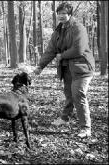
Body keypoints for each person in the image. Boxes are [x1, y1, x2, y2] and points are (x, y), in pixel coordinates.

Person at [33, 2, 95, 138]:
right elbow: (50, 50)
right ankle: (65, 118)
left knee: (78, 95)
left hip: (82, 68)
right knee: (69, 94)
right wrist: (40, 66)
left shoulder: (78, 28)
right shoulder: (58, 31)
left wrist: (62, 55)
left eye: (64, 14)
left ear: (70, 14)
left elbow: (79, 49)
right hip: (67, 69)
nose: (61, 16)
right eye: (59, 13)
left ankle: (85, 128)